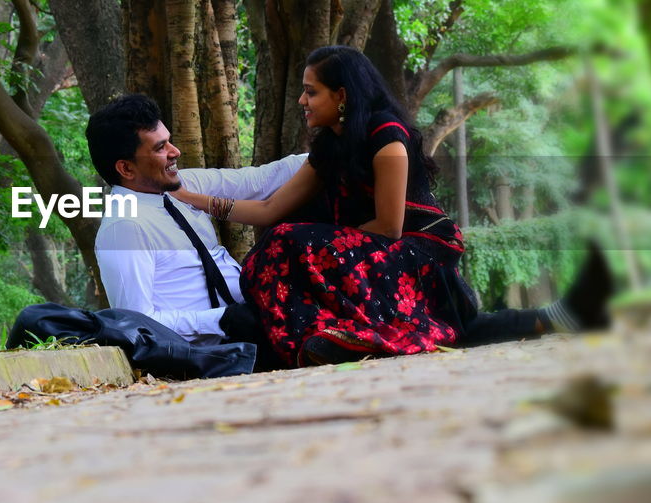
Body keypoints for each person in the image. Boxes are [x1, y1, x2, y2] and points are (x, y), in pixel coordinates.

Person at [170, 45, 611, 368]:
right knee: (275, 242)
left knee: (288, 242)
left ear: (341, 96)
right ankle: (330, 338)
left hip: (413, 252)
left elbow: (389, 227)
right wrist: (192, 198)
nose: (302, 100)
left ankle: (344, 336)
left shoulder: (388, 137)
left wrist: (325, 249)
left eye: (311, 92)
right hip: (365, 253)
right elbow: (269, 210)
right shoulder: (330, 147)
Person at [86, 94, 304, 368]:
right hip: (220, 350)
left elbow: (261, 180)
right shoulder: (124, 227)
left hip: (257, 316)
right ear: (126, 168)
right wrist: (221, 320)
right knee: (288, 240)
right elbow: (136, 323)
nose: (175, 152)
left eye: (170, 140)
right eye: (160, 147)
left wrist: (345, 145)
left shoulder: (185, 184)